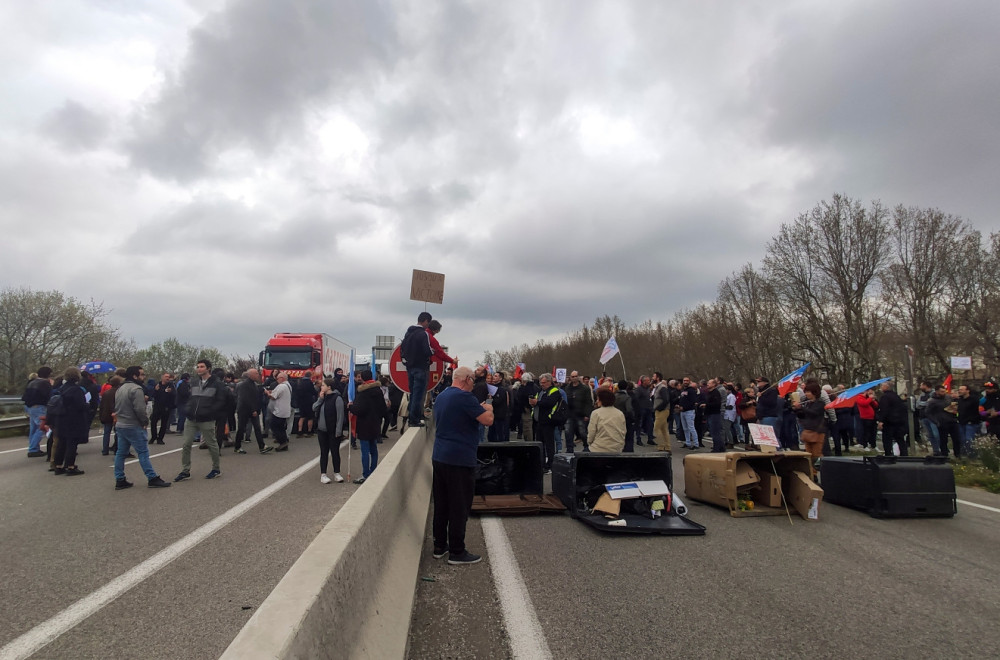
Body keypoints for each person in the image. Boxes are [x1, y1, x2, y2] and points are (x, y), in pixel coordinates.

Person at [430, 366, 493, 565]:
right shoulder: (465, 398)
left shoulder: (442, 396)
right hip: (460, 458)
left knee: (442, 504)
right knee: (459, 505)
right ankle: (457, 551)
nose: (474, 383)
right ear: (466, 379)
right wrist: (488, 407)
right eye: (473, 380)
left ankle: (440, 546)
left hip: (440, 456)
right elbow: (487, 420)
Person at [114, 366, 171, 489]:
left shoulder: (120, 388)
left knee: (120, 453)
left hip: (121, 424)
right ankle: (152, 477)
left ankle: (119, 478)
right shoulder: (136, 389)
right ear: (135, 376)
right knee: (143, 452)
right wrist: (145, 421)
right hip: (133, 425)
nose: (143, 377)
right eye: (142, 375)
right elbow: (140, 409)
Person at [175, 359, 227, 481]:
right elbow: (190, 397)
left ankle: (216, 468)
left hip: (207, 418)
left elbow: (221, 400)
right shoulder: (194, 381)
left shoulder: (217, 383)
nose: (199, 369)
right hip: (192, 417)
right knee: (186, 443)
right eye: (198, 366)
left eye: (202, 366)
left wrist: (211, 411)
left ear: (208, 368)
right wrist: (188, 409)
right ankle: (185, 470)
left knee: (211, 443)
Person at [349, 370, 387, 484]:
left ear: (362, 379)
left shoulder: (363, 392)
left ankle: (365, 474)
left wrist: (351, 407)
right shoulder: (378, 391)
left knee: (365, 451)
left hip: (364, 424)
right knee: (374, 449)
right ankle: (374, 471)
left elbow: (359, 410)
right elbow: (383, 409)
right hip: (375, 423)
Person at [51, 367, 89, 476]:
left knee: (61, 443)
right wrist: (87, 406)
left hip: (61, 418)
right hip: (73, 419)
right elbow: (80, 405)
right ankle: (70, 466)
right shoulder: (77, 389)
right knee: (72, 444)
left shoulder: (61, 388)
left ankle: (58, 465)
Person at [401, 312, 433, 427]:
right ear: (425, 321)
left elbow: (403, 348)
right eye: (428, 323)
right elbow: (427, 351)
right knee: (419, 395)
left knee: (413, 393)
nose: (427, 326)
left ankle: (412, 416)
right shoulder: (423, 334)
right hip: (421, 367)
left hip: (410, 367)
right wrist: (431, 352)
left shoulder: (408, 333)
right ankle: (414, 419)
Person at [313, 378, 346, 483]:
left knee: (335, 452)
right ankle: (323, 474)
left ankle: (337, 473)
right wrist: (320, 399)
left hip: (333, 430)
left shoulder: (337, 398)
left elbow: (340, 416)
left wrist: (338, 430)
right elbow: (314, 408)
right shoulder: (322, 398)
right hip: (322, 430)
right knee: (324, 452)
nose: (321, 387)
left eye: (323, 385)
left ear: (329, 387)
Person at [234, 369, 273, 455]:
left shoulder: (254, 384)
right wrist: (253, 410)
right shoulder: (244, 385)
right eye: (256, 373)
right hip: (244, 409)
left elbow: (257, 394)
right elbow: (245, 398)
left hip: (253, 409)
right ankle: (237, 446)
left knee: (257, 428)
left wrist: (264, 391)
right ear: (250, 375)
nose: (258, 375)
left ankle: (262, 446)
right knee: (241, 428)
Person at [531, 373, 562, 472]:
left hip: (548, 421)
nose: (542, 384)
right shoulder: (540, 391)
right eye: (541, 382)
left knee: (549, 444)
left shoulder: (554, 391)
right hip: (539, 421)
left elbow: (549, 403)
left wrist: (537, 402)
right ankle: (541, 463)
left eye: (544, 382)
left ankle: (550, 464)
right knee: (540, 444)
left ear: (549, 382)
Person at [21, 366, 53, 457]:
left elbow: (24, 396)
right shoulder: (45, 383)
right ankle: (33, 449)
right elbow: (49, 397)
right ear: (48, 374)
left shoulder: (32, 382)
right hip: (39, 407)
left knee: (34, 428)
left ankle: (33, 448)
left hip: (29, 406)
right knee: (42, 427)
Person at [792, 380, 826, 464]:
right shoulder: (807, 403)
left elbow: (814, 413)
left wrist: (802, 408)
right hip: (807, 431)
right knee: (809, 455)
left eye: (808, 392)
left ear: (814, 392)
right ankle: (812, 474)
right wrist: (797, 410)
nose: (806, 394)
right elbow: (803, 416)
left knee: (816, 454)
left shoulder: (820, 403)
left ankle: (821, 470)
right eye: (805, 392)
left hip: (817, 432)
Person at [588, 388, 626, 453]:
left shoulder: (596, 413)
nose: (597, 401)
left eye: (598, 399)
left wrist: (589, 442)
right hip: (617, 448)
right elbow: (623, 431)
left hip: (598, 448)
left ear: (601, 400)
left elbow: (592, 431)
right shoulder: (620, 413)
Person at [877, 381, 908, 456]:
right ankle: (904, 454)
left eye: (882, 386)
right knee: (900, 439)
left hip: (889, 421)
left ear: (886, 387)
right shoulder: (896, 396)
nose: (881, 387)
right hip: (899, 421)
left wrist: (881, 421)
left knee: (887, 439)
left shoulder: (885, 397)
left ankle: (888, 454)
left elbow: (884, 409)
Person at [564, 371, 593, 452]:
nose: (574, 378)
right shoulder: (567, 388)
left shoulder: (584, 388)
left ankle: (586, 447)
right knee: (568, 432)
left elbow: (588, 402)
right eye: (572, 376)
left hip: (581, 413)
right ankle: (569, 449)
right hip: (570, 413)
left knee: (583, 432)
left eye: (575, 376)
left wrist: (587, 414)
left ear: (578, 377)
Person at [266, 371, 293, 451]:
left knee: (274, 425)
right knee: (281, 427)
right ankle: (284, 441)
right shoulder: (288, 385)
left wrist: (267, 393)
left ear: (282, 378)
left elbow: (273, 397)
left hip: (279, 410)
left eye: (277, 378)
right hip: (285, 409)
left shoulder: (281, 386)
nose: (276, 380)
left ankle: (282, 442)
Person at [99, 375, 124, 455]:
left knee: (106, 433)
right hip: (116, 415)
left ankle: (105, 450)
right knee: (117, 433)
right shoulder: (120, 393)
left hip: (106, 415)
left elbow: (102, 405)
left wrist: (101, 415)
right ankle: (116, 448)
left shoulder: (106, 393)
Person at [149, 373, 175, 444]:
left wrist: (171, 392)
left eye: (168, 377)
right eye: (166, 377)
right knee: (153, 422)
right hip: (157, 406)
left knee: (164, 423)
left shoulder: (171, 385)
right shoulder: (157, 385)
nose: (167, 378)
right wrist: (156, 390)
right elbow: (153, 395)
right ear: (162, 377)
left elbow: (175, 395)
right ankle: (153, 436)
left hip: (166, 407)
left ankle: (160, 438)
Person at [677, 377, 699, 449]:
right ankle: (688, 442)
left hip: (689, 411)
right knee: (685, 428)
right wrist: (679, 406)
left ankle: (696, 444)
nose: (685, 382)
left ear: (689, 382)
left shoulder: (691, 391)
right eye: (684, 381)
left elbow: (693, 402)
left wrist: (685, 407)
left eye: (687, 381)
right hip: (682, 411)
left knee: (691, 428)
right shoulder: (683, 390)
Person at [613, 380, 636, 452]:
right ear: (626, 387)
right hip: (626, 419)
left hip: (615, 419)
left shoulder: (614, 396)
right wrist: (633, 418)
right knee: (628, 437)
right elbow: (629, 410)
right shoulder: (627, 397)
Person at [633, 376, 655, 446]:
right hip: (641, 409)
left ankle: (650, 438)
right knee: (640, 424)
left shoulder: (648, 389)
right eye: (648, 380)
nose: (649, 382)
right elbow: (636, 398)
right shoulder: (639, 389)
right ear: (644, 382)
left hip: (649, 408)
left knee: (650, 424)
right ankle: (638, 439)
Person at [295, 372, 319, 438]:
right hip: (308, 402)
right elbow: (313, 392)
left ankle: (299, 431)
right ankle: (309, 432)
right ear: (310, 376)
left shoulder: (300, 382)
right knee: (310, 417)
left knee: (302, 417)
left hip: (301, 402)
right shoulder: (309, 383)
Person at [652, 372, 671, 446]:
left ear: (658, 378)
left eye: (653, 376)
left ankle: (661, 445)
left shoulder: (662, 387)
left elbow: (666, 399)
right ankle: (666, 446)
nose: (652, 378)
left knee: (657, 428)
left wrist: (659, 408)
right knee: (663, 429)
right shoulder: (656, 387)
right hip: (659, 410)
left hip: (662, 410)